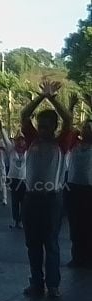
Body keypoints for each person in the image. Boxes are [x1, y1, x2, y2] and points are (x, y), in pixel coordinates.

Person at [20, 80, 74, 298]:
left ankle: (53, 285)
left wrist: (52, 98)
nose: (41, 130)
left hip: (52, 198)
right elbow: (25, 115)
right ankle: (36, 283)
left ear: (54, 127)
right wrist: (40, 98)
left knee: (50, 242)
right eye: (39, 126)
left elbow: (68, 120)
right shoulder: (32, 139)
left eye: (46, 126)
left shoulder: (61, 143)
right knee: (32, 242)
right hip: (31, 197)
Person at [66, 94, 92, 269]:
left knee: (89, 225)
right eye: (85, 126)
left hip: (90, 189)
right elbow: (67, 128)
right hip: (74, 188)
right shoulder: (73, 143)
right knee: (75, 224)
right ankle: (77, 257)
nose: (86, 129)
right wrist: (71, 107)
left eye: (90, 127)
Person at [0, 117, 27, 229]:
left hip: (24, 179)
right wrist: (1, 127)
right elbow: (5, 138)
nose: (20, 142)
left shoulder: (29, 151)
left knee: (24, 202)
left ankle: (22, 221)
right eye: (18, 140)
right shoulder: (11, 149)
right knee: (15, 201)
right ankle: (15, 220)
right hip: (13, 178)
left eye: (22, 140)